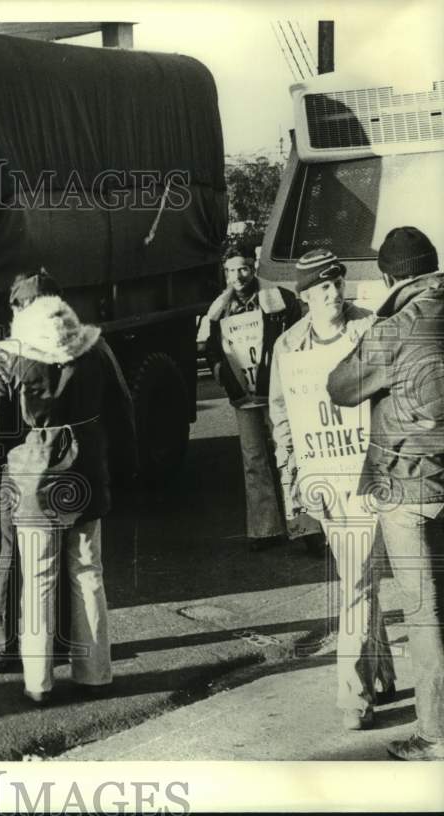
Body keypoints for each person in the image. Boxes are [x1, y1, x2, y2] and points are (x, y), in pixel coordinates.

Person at [0, 271, 137, 704]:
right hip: (87, 474)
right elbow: (122, 407)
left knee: (38, 579)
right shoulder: (94, 345)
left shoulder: (6, 355)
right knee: (88, 573)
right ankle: (95, 674)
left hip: (33, 477)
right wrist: (117, 465)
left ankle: (39, 682)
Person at [328, 227, 444, 760]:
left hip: (408, 486)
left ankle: (435, 735)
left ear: (391, 276)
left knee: (423, 615)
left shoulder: (393, 328)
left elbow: (341, 386)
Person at [270, 247, 396, 731]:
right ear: (304, 297)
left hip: (368, 476)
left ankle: (354, 698)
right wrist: (294, 483)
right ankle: (381, 671)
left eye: (337, 281)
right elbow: (282, 420)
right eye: (323, 286)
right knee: (358, 578)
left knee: (357, 582)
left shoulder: (369, 327)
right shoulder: (288, 348)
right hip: (323, 481)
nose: (334, 293)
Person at [203, 242, 322, 552]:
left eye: (242, 268)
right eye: (230, 270)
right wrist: (225, 377)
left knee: (290, 453)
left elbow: (299, 333)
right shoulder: (219, 310)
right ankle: (264, 530)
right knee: (254, 460)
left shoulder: (280, 299)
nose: (237, 277)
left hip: (279, 392)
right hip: (244, 396)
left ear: (253, 267)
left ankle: (306, 526)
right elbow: (212, 349)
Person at [0, 271, 73, 676]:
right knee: (70, 553)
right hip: (70, 459)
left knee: (15, 552)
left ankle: (10, 646)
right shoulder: (81, 346)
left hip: (20, 465)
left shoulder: (3, 353)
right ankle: (61, 642)